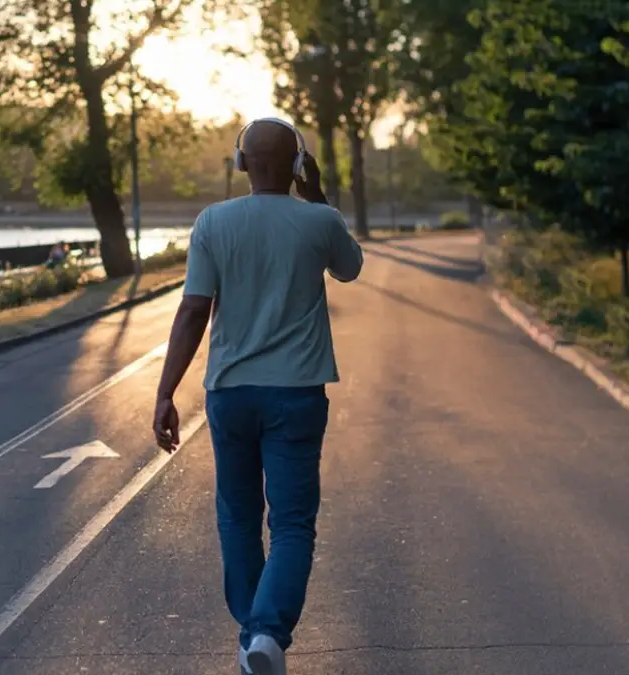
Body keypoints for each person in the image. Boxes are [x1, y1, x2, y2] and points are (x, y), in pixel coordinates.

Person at [152, 118, 364, 675]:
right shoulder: (319, 220)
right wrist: (316, 193)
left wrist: (165, 391)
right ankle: (266, 634)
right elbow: (350, 268)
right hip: (296, 394)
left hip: (231, 394)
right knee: (292, 523)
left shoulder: (213, 222)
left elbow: (194, 309)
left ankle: (254, 635)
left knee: (239, 517)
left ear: (240, 163)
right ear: (296, 165)